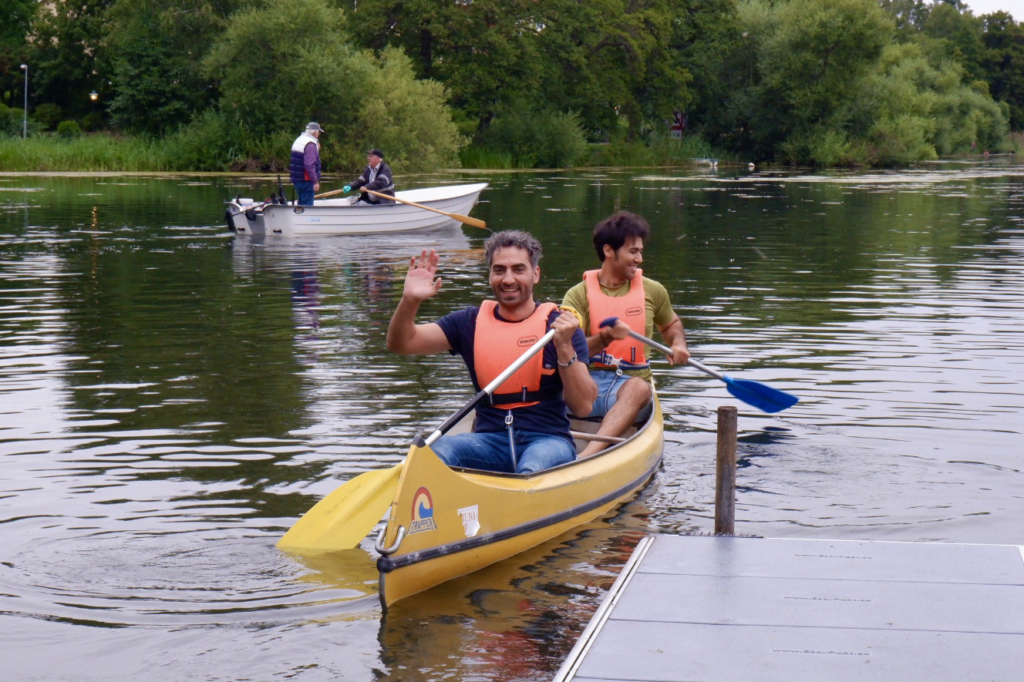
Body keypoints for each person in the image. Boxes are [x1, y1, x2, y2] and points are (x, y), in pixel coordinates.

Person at [386, 230, 597, 474]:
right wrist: (410, 301)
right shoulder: (468, 323)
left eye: (518, 269)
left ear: (535, 274)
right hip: (488, 441)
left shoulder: (560, 327)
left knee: (531, 469)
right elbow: (402, 343)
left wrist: (563, 346)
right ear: (490, 276)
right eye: (499, 270)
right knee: (436, 453)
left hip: (547, 440)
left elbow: (583, 407)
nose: (508, 279)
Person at [561, 211, 689, 458]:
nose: (639, 259)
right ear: (609, 251)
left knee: (639, 389)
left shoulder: (653, 290)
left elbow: (671, 324)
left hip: (628, 386)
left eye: (640, 251)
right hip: (586, 386)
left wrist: (678, 343)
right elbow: (570, 350)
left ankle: (589, 455)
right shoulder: (577, 296)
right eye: (633, 252)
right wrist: (606, 337)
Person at [288, 122, 324, 206]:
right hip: (307, 181)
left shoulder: (299, 140)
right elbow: (309, 164)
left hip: (297, 179)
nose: (319, 135)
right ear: (315, 132)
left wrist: (316, 150)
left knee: (301, 204)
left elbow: (300, 158)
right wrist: (315, 182)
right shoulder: (311, 144)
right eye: (319, 132)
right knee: (307, 207)